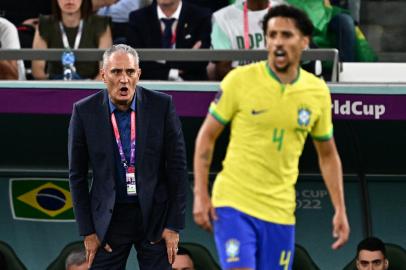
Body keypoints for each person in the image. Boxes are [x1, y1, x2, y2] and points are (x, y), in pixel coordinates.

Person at [193, 5, 350, 270]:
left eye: (286, 35)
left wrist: (340, 209)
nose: (277, 42)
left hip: (280, 211)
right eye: (272, 34)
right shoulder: (239, 80)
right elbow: (206, 137)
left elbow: (328, 154)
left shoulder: (317, 92)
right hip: (233, 203)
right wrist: (200, 193)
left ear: (304, 41)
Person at [68, 44, 188, 269]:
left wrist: (173, 225)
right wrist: (88, 232)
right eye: (116, 72)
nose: (124, 79)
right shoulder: (84, 111)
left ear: (138, 74)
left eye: (130, 72)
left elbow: (178, 169)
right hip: (109, 221)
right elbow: (77, 176)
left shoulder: (162, 106)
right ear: (103, 75)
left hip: (154, 216)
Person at [127, 0, 211, 81]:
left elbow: (200, 62)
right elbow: (136, 62)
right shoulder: (137, 18)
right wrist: (174, 70)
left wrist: (156, 65)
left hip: (193, 86)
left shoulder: (200, 16)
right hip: (150, 86)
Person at [32, 0, 112, 80]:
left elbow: (105, 70)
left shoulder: (100, 24)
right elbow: (38, 71)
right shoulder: (45, 24)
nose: (69, 1)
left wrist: (89, 89)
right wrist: (52, 89)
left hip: (90, 84)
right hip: (55, 84)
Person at [208, 0, 284, 80]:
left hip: (278, 84)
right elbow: (223, 68)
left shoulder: (286, 14)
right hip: (240, 86)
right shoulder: (222, 18)